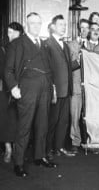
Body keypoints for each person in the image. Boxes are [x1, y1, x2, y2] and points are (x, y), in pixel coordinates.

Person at [5, 12, 57, 177]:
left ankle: (39, 156)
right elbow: (8, 70)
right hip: (27, 89)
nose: (36, 26)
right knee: (24, 126)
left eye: (38, 23)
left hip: (45, 89)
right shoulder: (17, 44)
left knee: (42, 124)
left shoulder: (43, 44)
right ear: (27, 25)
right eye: (32, 23)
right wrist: (13, 87)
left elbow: (50, 68)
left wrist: (52, 87)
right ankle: (18, 163)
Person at [46, 15, 80, 159]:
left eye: (65, 25)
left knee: (63, 121)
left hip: (67, 91)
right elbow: (47, 68)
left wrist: (78, 60)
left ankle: (59, 147)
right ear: (53, 26)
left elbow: (67, 67)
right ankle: (47, 150)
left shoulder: (65, 45)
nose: (64, 27)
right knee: (51, 122)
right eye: (61, 24)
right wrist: (51, 87)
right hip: (55, 91)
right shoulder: (47, 44)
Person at [0, 22, 23, 163]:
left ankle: (18, 148)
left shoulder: (25, 47)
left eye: (12, 32)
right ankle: (8, 149)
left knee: (20, 120)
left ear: (19, 33)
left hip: (23, 89)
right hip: (7, 91)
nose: (10, 35)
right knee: (6, 121)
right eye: (8, 32)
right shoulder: (4, 49)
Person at [67, 19, 90, 153]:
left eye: (87, 28)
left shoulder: (93, 45)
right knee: (75, 116)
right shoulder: (71, 45)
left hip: (90, 87)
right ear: (78, 29)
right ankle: (75, 141)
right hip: (76, 86)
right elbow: (68, 66)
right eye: (82, 28)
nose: (85, 30)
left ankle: (89, 140)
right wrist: (79, 59)